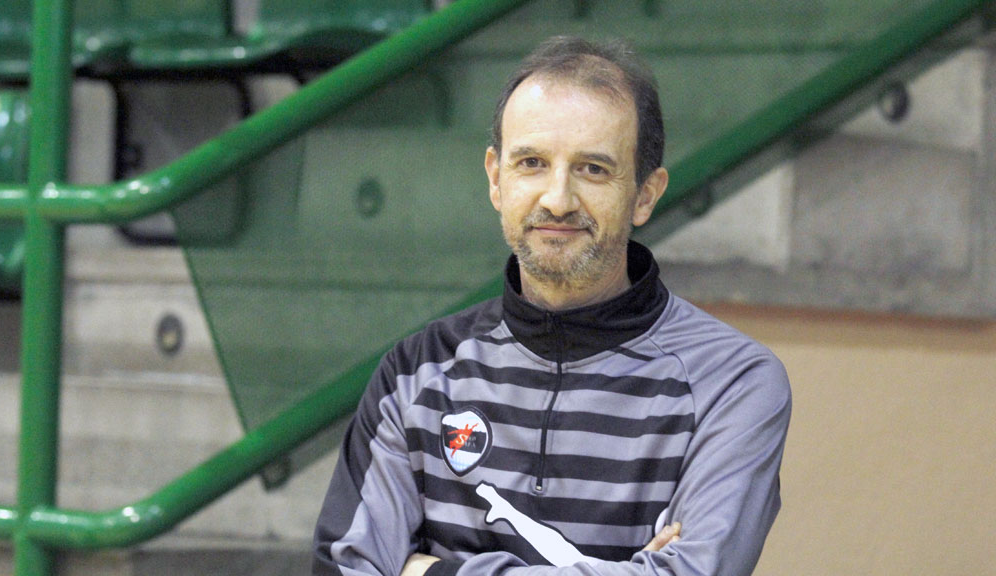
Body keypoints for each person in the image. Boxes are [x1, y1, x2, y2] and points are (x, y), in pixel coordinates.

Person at [312, 36, 791, 576]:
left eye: (593, 169)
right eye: (532, 163)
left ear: (645, 194)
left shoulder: (730, 380)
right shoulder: (415, 372)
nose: (558, 200)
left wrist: (427, 571)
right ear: (496, 178)